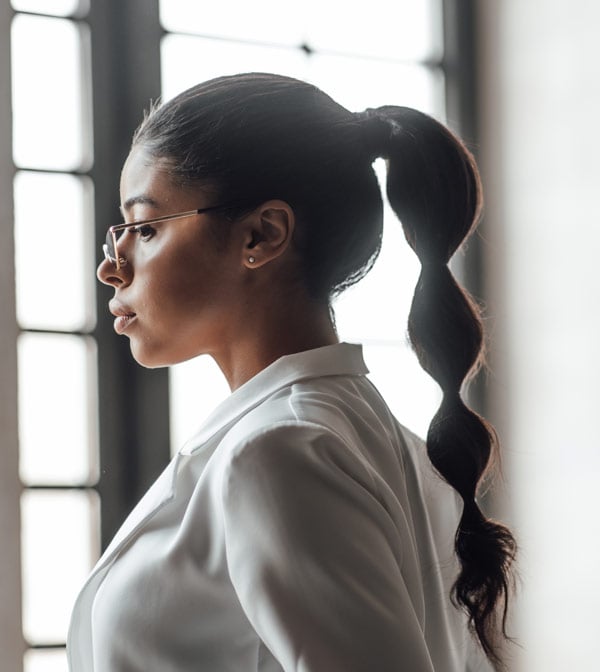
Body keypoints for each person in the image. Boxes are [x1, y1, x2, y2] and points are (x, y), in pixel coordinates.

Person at [68, 72, 516, 672]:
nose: (112, 267)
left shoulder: (280, 448)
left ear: (262, 234)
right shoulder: (379, 443)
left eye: (144, 228)